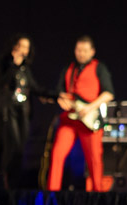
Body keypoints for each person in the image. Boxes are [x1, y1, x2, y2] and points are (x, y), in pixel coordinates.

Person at [47, 35, 115, 192]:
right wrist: (60, 99)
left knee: (94, 159)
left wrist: (90, 107)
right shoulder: (69, 69)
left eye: (85, 50)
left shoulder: (99, 68)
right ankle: (52, 193)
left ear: (92, 51)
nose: (81, 54)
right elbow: (59, 92)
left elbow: (108, 93)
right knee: (57, 154)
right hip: (70, 119)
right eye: (78, 50)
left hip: (89, 119)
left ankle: (97, 194)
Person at [0, 34, 51, 189]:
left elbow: (35, 88)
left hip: (22, 113)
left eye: (26, 47)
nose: (24, 50)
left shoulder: (25, 68)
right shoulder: (5, 63)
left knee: (20, 149)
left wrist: (55, 96)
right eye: (21, 46)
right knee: (10, 147)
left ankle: (15, 185)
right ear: (14, 46)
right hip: (7, 111)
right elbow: (0, 82)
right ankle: (4, 183)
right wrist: (13, 66)